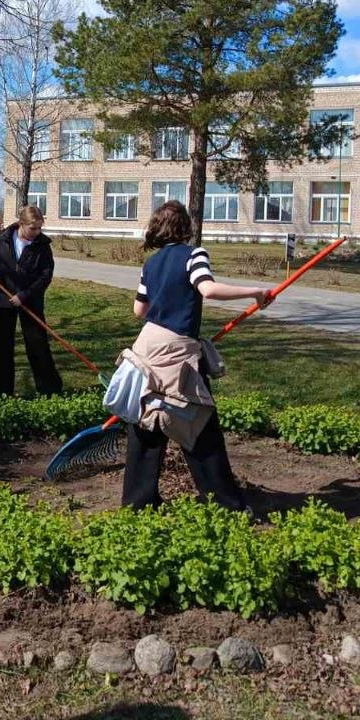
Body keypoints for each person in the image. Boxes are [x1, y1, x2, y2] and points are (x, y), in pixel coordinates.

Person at [116, 201, 272, 513]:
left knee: (146, 421)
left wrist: (166, 302)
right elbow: (208, 290)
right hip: (177, 354)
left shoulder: (152, 263)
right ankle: (224, 504)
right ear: (185, 227)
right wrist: (256, 292)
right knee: (198, 424)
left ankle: (138, 503)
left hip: (145, 348)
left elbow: (139, 310)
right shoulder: (193, 254)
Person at [0, 205, 63, 398]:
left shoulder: (42, 246)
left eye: (39, 228)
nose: (36, 232)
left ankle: (49, 391)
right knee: (0, 346)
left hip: (31, 301)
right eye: (33, 228)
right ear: (22, 224)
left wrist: (24, 295)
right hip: (3, 301)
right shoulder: (2, 239)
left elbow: (45, 277)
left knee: (38, 345)